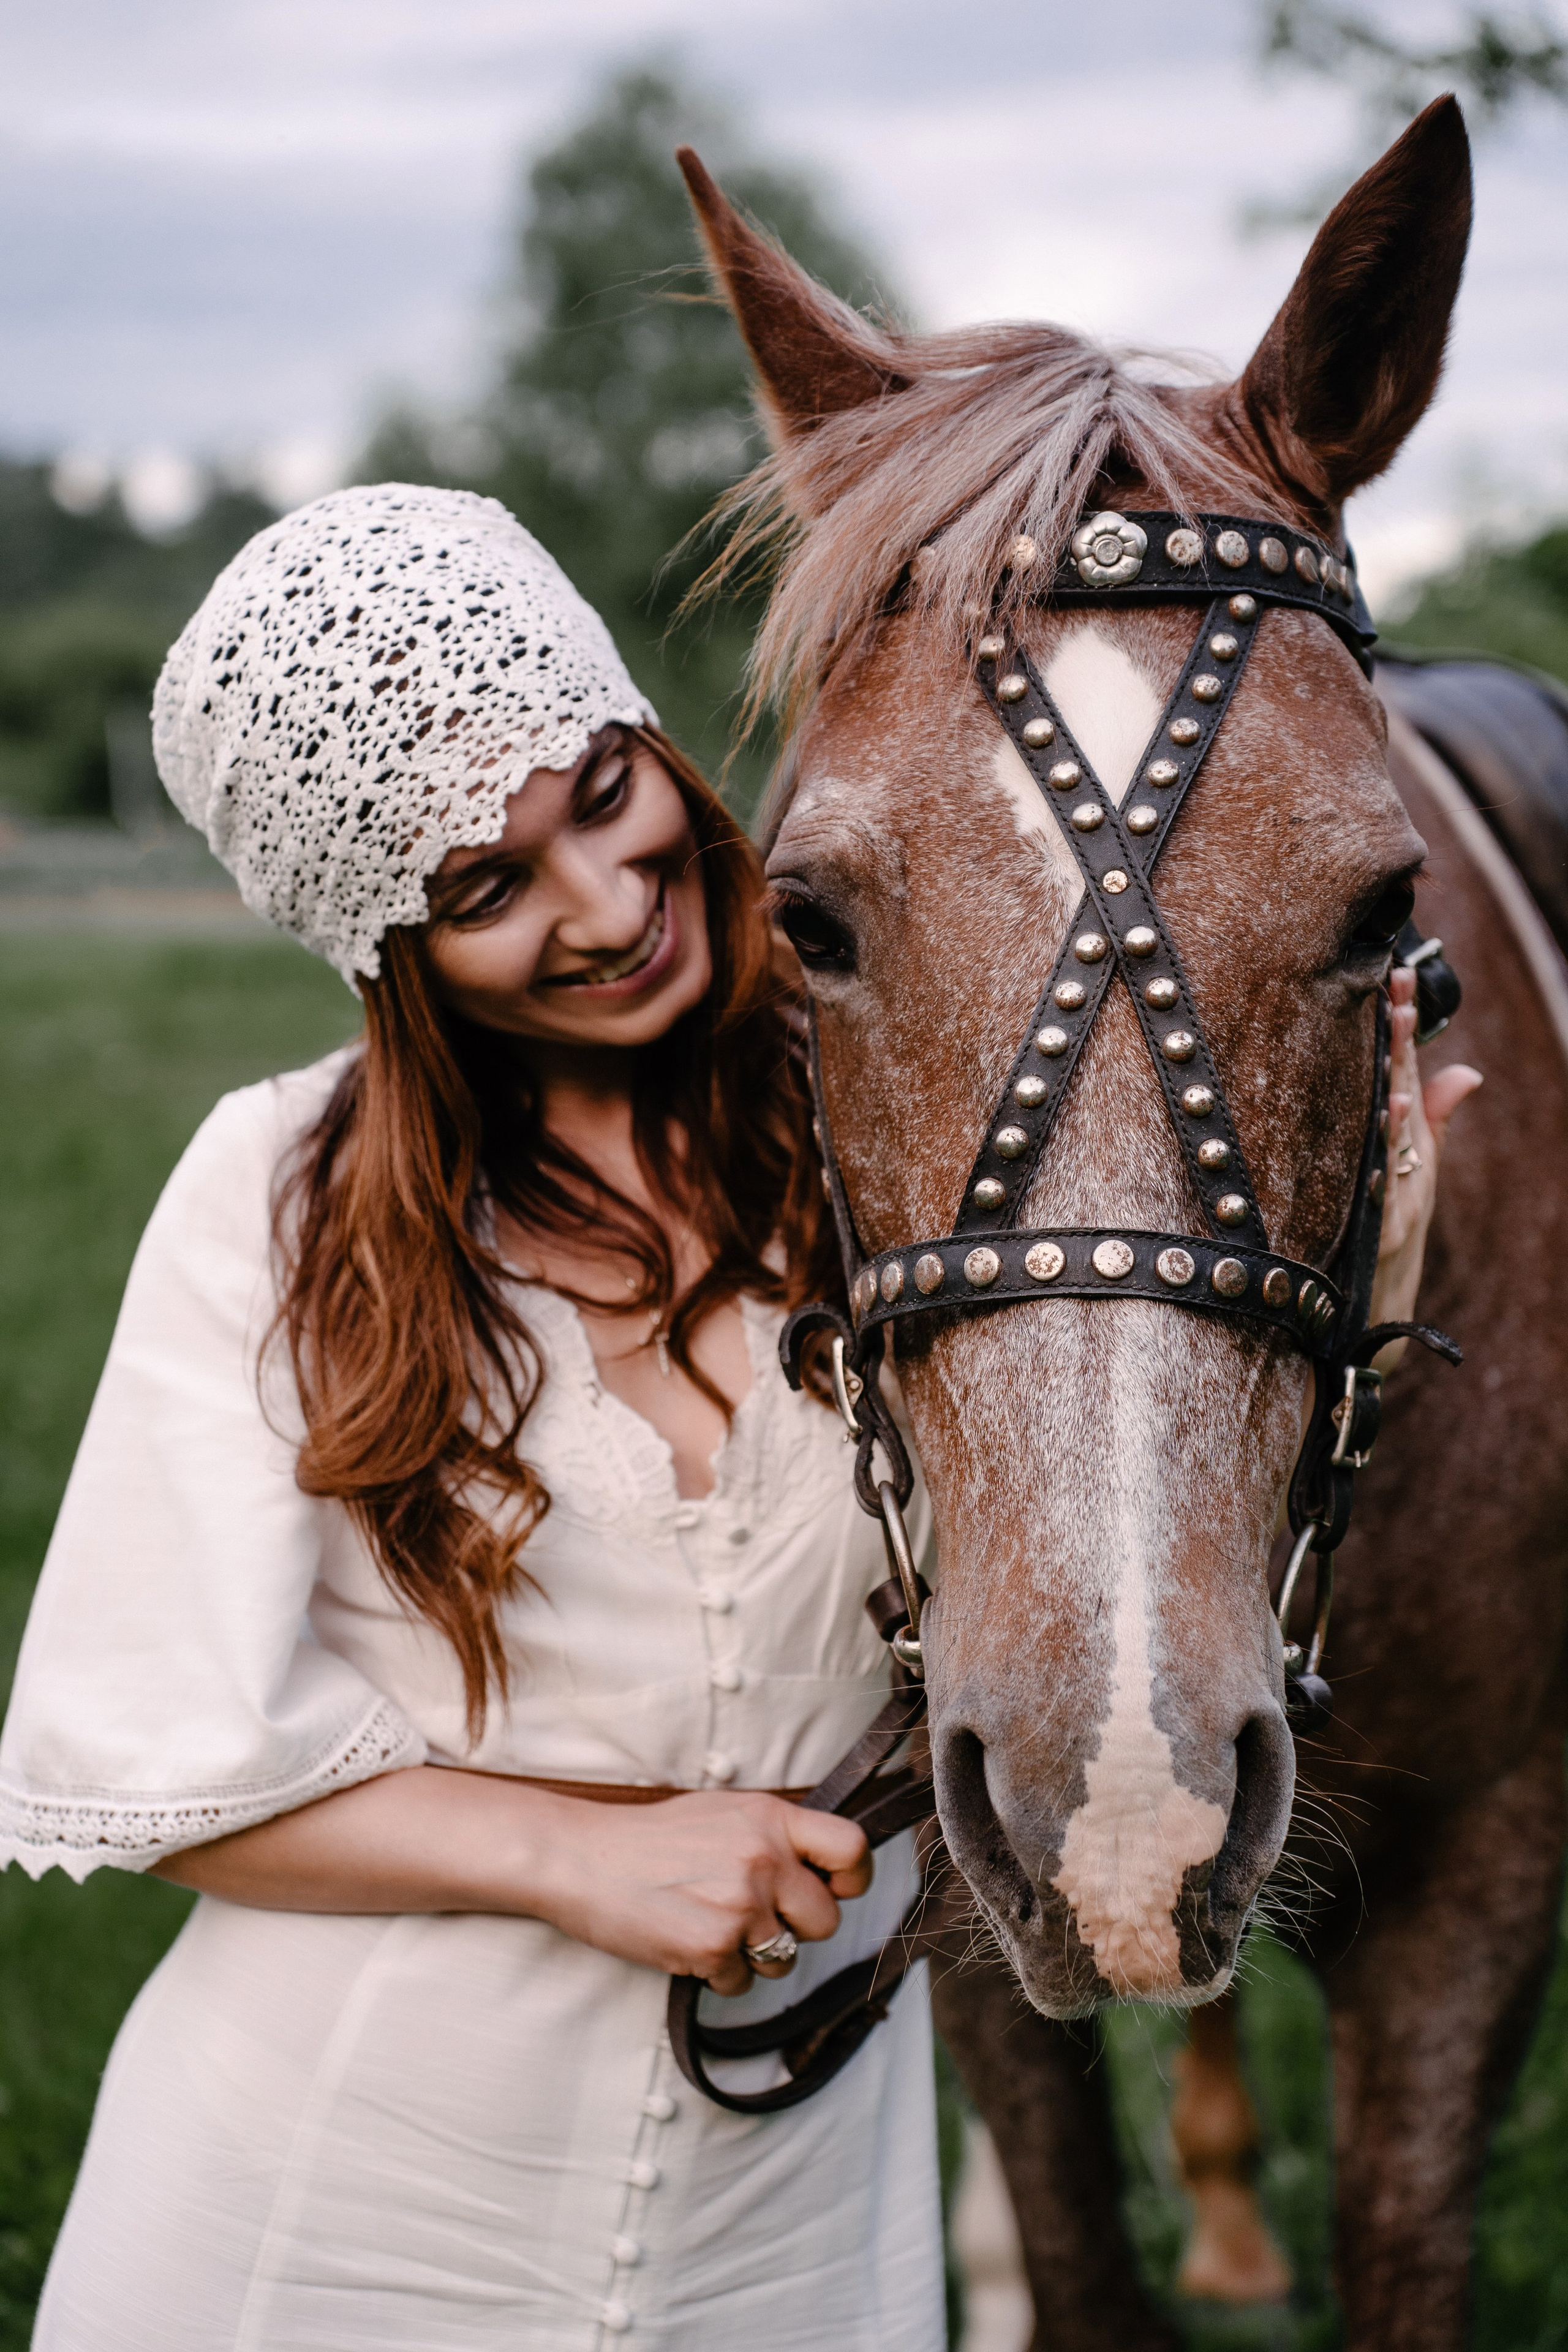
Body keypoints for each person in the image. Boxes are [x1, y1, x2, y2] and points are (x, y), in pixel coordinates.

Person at [0, 484, 1474, 2352]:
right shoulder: (274, 1195)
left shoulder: (905, 1136)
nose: (607, 908)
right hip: (334, 2208)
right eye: (487, 888)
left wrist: (1358, 1306)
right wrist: (580, 1855)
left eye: (602, 797)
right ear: (388, 947)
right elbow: (161, 1775)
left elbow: (1102, 1507)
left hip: (789, 2233)